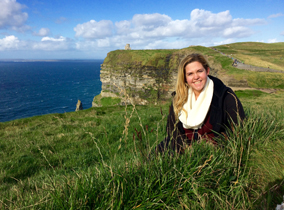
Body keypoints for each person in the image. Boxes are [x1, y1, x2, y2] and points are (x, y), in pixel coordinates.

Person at [156, 53, 245, 154]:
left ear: (207, 71)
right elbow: (172, 130)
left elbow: (239, 127)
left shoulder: (224, 95)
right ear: (185, 77)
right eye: (190, 74)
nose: (196, 77)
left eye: (199, 71)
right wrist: (185, 148)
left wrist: (212, 145)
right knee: (153, 159)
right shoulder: (179, 97)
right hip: (182, 147)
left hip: (212, 150)